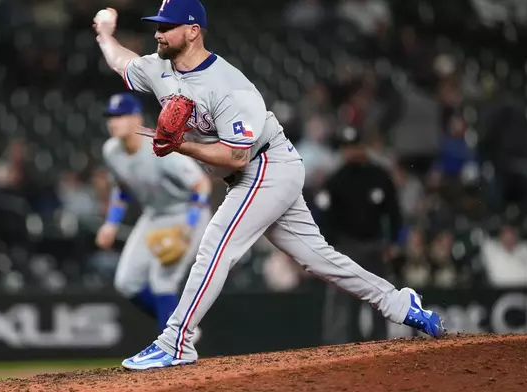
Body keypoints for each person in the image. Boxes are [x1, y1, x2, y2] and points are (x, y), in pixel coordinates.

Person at [93, 0, 445, 371]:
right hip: (255, 172)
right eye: (157, 26)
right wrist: (105, 34)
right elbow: (121, 61)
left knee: (215, 245)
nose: (158, 33)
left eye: (167, 26)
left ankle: (176, 341)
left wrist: (183, 145)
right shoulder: (159, 68)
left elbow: (236, 158)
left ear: (193, 31)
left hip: (266, 164)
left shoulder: (229, 86)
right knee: (318, 258)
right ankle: (401, 303)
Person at [96, 92, 212, 334]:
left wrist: (188, 228)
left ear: (136, 117)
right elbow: (122, 188)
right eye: (111, 116)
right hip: (154, 215)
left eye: (120, 115)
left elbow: (201, 185)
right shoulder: (111, 151)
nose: (113, 121)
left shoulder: (160, 146)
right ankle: (180, 327)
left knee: (162, 281)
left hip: (186, 213)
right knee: (126, 283)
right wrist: (111, 224)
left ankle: (170, 342)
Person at [316, 126, 402, 344]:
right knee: (339, 299)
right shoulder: (335, 180)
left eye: (354, 146)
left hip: (374, 245)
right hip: (345, 247)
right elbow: (324, 217)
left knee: (379, 296)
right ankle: (336, 346)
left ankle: (382, 342)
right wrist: (330, 246)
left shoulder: (379, 176)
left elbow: (393, 211)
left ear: (363, 147)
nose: (351, 151)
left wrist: (392, 242)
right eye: (347, 147)